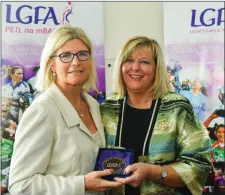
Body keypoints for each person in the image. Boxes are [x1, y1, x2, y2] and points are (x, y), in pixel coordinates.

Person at [8, 24, 122, 195]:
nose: (76, 62)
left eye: (82, 54)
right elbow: (20, 185)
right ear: (52, 64)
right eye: (65, 55)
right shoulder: (42, 111)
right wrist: (81, 184)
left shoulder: (94, 105)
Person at [100, 36, 212, 195]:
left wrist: (154, 172)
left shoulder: (177, 107)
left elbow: (200, 164)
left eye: (144, 62)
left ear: (156, 68)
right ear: (120, 66)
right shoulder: (108, 108)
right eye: (129, 60)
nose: (135, 67)